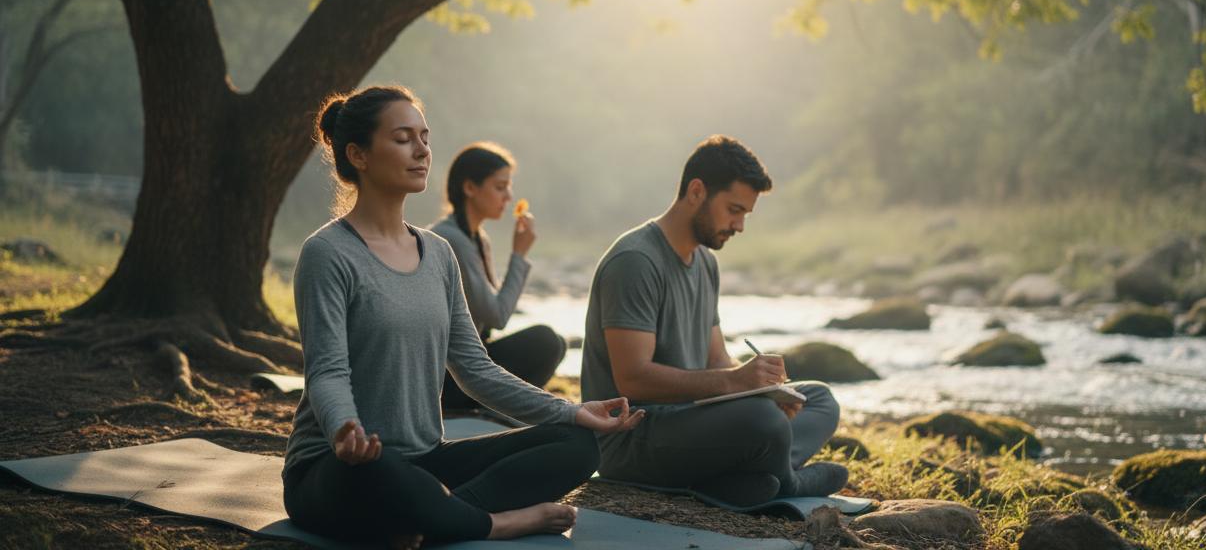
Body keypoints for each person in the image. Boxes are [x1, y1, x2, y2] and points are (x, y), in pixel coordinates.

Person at [283, 86, 643, 548]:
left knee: (575, 445)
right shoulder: (327, 254)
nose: (422, 151)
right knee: (387, 475)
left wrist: (571, 412)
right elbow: (327, 372)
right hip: (341, 466)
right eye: (402, 138)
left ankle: (429, 518)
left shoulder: (438, 253)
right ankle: (498, 523)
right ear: (359, 155)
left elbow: (475, 369)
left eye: (425, 137)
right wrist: (344, 430)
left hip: (425, 459)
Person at [580, 135, 847, 507]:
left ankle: (738, 480)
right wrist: (739, 388)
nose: (739, 225)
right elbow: (632, 378)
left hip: (689, 424)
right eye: (733, 210)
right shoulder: (635, 261)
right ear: (696, 191)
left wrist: (765, 391)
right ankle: (789, 483)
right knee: (762, 421)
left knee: (818, 399)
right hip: (630, 439)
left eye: (745, 215)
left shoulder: (705, 263)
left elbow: (717, 360)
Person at [430, 143, 565, 412]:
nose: (509, 196)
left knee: (556, 343)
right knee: (546, 341)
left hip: (471, 361)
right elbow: (497, 316)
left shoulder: (478, 238)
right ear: (470, 188)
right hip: (448, 374)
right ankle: (489, 412)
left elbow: (490, 316)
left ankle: (497, 411)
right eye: (500, 187)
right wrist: (519, 255)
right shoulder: (451, 239)